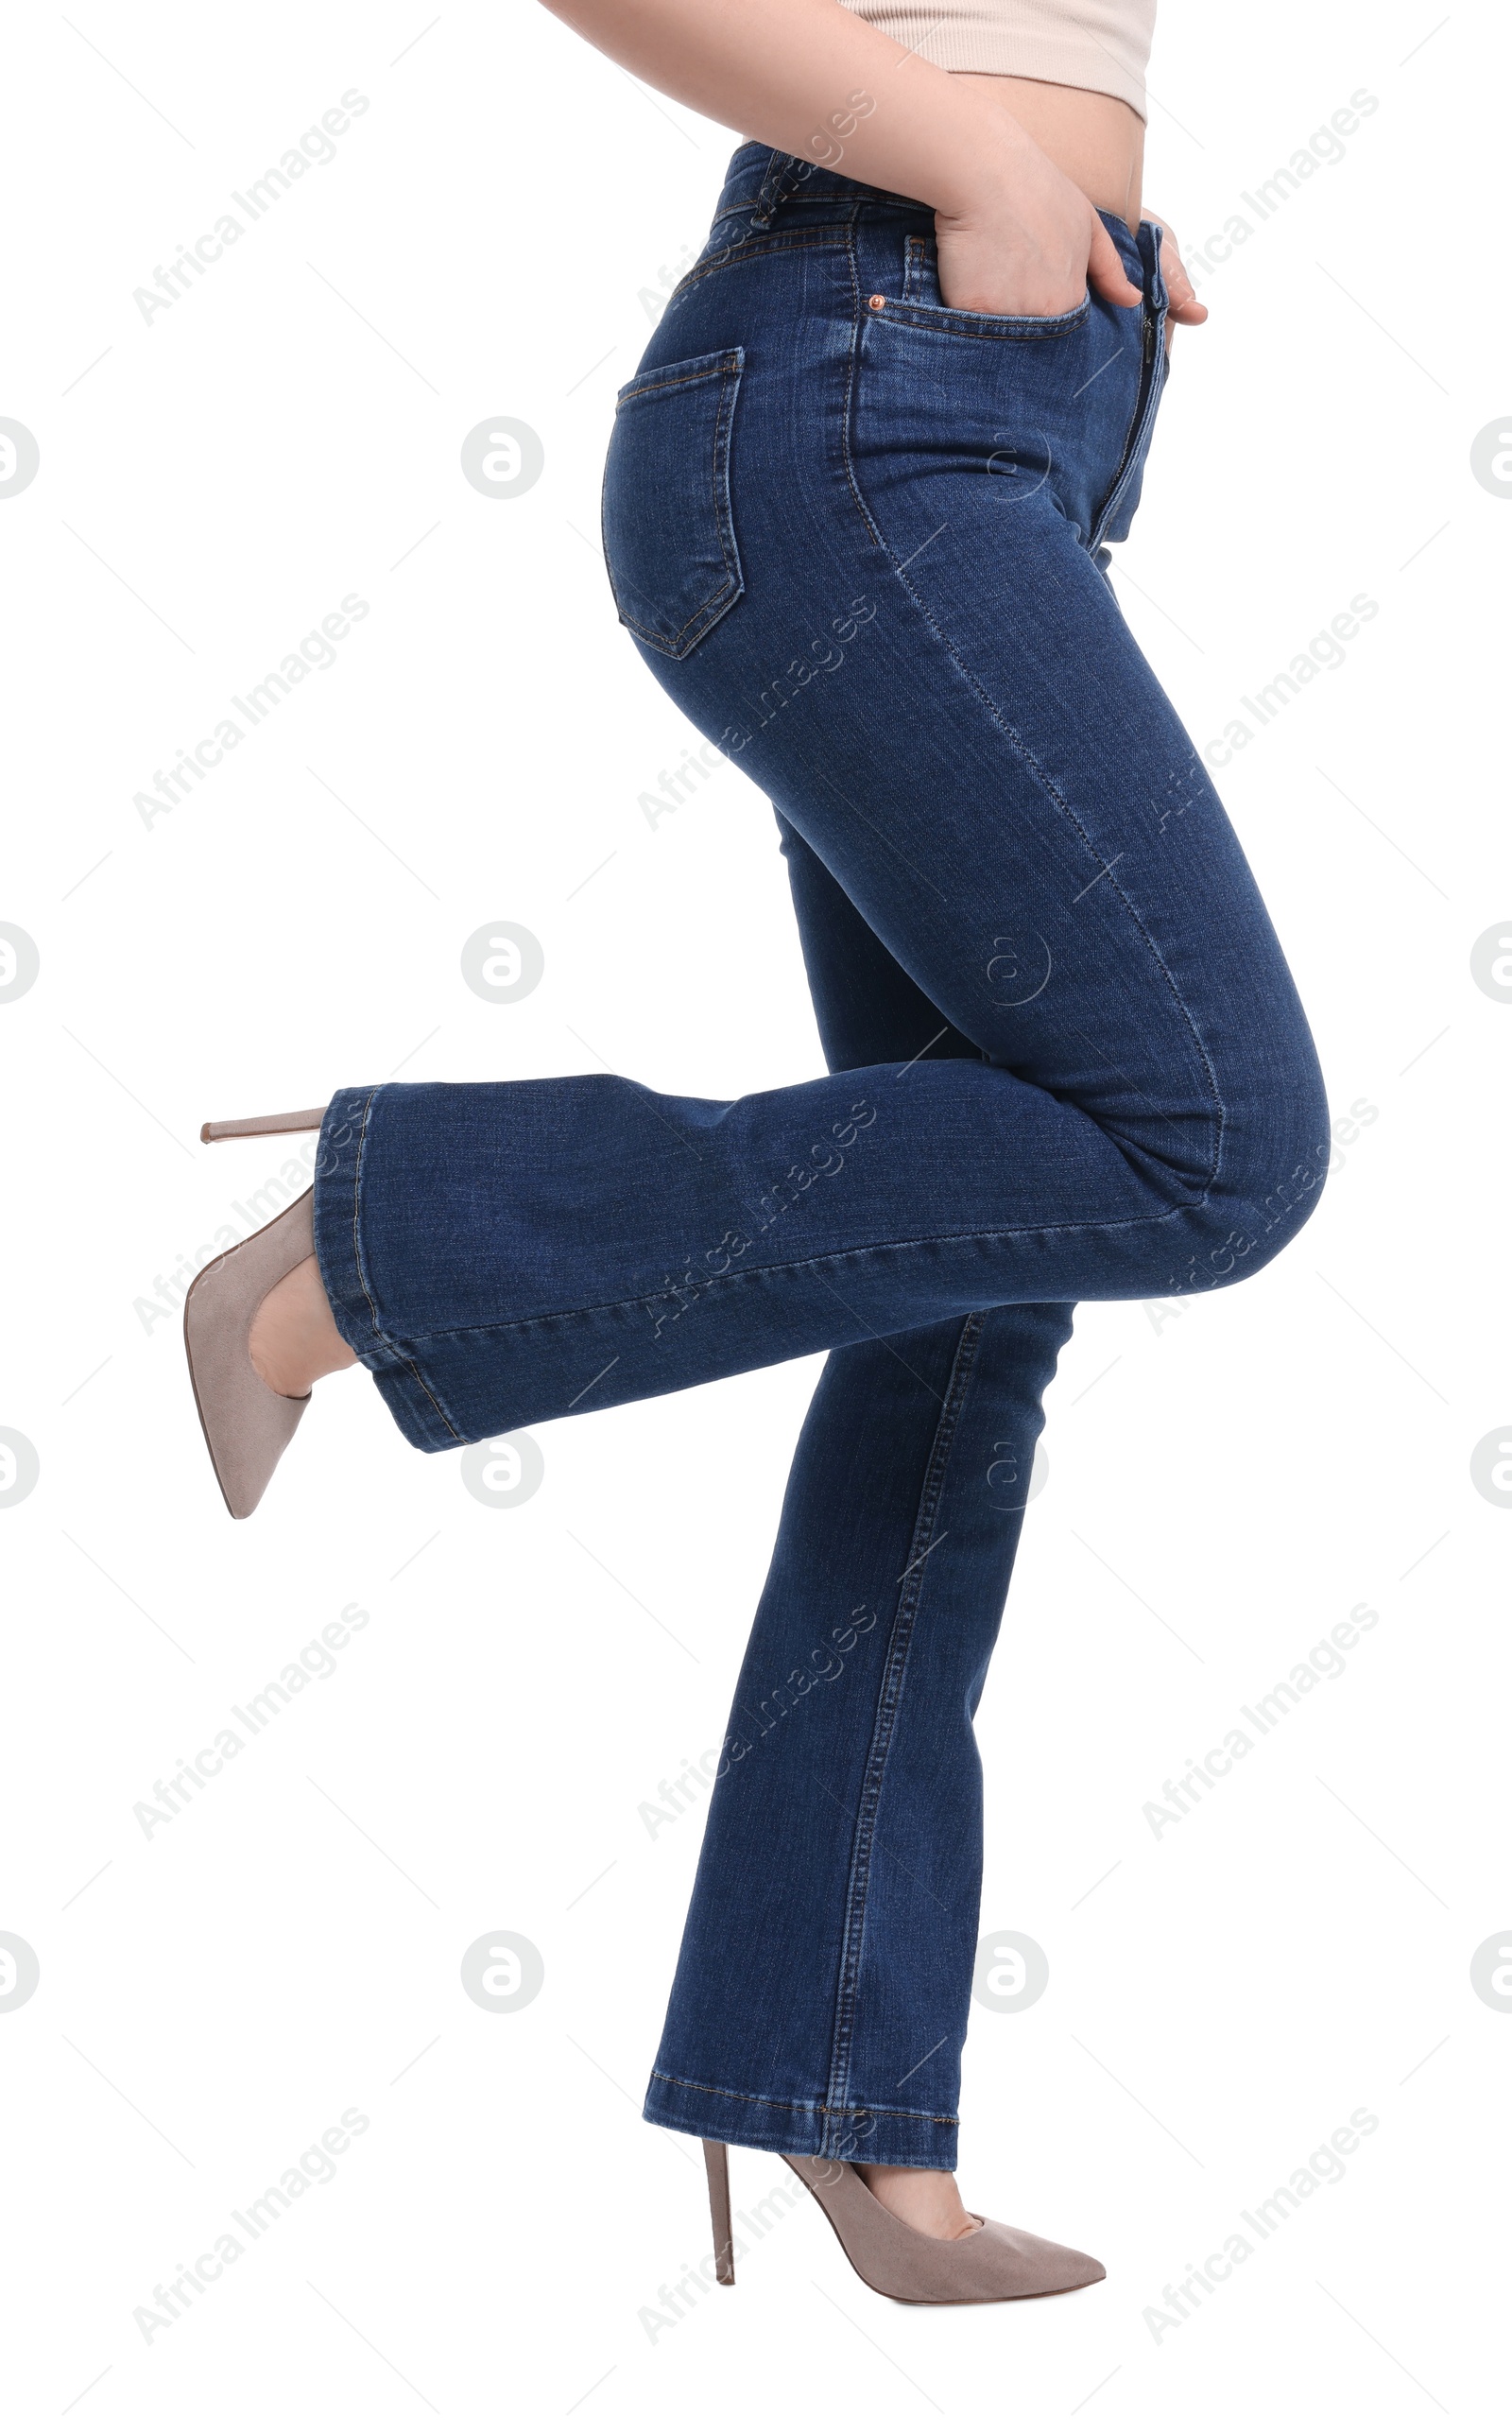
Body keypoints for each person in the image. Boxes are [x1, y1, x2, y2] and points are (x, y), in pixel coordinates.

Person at [183, 0, 1329, 2304]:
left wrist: (1076, 202)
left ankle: (832, 2090)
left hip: (994, 387)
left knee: (967, 1290)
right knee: (1209, 1146)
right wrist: (983, 169)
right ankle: (373, 1246)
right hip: (860, 392)